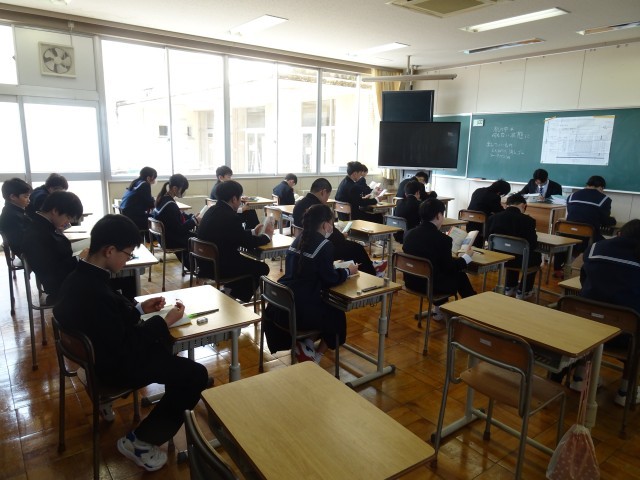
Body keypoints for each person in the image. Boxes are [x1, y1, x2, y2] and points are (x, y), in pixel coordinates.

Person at [53, 214, 209, 472]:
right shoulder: (96, 292)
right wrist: (164, 322)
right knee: (195, 374)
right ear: (109, 250)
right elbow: (126, 346)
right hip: (115, 367)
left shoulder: (79, 276)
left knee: (171, 358)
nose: (127, 260)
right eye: (127, 254)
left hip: (98, 357)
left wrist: (139, 309)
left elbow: (106, 322)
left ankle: (163, 408)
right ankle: (141, 442)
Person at [270, 204, 358, 363]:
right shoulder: (325, 245)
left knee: (326, 307)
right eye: (331, 223)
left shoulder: (298, 239)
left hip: (284, 305)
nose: (332, 227)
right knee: (337, 314)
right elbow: (329, 279)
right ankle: (317, 357)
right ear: (325, 224)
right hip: (301, 310)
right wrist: (347, 271)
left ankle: (307, 346)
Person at [197, 180, 273, 302]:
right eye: (240, 199)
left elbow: (233, 234)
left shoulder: (211, 211)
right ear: (234, 199)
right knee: (262, 268)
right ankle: (231, 296)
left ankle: (229, 290)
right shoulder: (230, 216)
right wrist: (267, 236)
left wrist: (253, 231)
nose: (240, 203)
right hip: (221, 266)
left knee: (247, 265)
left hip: (206, 264)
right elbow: (247, 243)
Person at [403, 198, 476, 320]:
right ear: (438, 215)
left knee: (438, 269)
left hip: (412, 282)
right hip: (431, 286)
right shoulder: (443, 240)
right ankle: (474, 310)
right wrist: (466, 258)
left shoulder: (409, 234)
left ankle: (438, 311)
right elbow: (449, 268)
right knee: (460, 275)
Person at [292, 178, 381, 277]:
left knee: (350, 248)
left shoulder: (299, 204)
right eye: (328, 195)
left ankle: (350, 271)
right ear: (323, 192)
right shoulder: (319, 208)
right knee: (357, 248)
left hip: (301, 244)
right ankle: (371, 276)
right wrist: (342, 236)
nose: (327, 200)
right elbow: (331, 233)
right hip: (319, 246)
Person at [22, 191, 86, 303]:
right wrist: (79, 258)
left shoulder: (43, 226)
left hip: (68, 278)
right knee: (111, 279)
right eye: (68, 217)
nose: (68, 222)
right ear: (55, 211)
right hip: (63, 286)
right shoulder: (37, 234)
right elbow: (52, 274)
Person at [553, 175, 617, 277]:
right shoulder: (604, 199)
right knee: (607, 245)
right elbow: (605, 221)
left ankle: (558, 268)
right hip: (588, 237)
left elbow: (573, 214)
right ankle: (595, 272)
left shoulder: (572, 196)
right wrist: (613, 220)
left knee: (573, 240)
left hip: (568, 234)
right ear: (601, 187)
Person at [486, 193, 541, 299]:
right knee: (536, 255)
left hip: (498, 258)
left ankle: (509, 287)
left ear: (507, 205)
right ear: (523, 205)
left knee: (511, 251)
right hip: (521, 260)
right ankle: (524, 291)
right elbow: (532, 245)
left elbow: (487, 238)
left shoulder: (493, 218)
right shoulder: (528, 220)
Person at [152, 174, 199, 266]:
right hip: (171, 240)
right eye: (183, 189)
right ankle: (197, 266)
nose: (184, 192)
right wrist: (195, 221)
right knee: (200, 239)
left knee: (195, 236)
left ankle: (192, 266)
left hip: (165, 238)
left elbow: (178, 216)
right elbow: (180, 229)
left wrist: (192, 217)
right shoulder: (170, 205)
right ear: (174, 188)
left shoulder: (163, 199)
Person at [209, 165, 260, 229]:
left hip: (221, 215)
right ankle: (255, 231)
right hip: (225, 217)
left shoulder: (218, 187)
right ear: (221, 177)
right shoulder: (220, 189)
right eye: (228, 177)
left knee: (249, 211)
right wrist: (242, 209)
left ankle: (253, 231)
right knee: (250, 211)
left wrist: (240, 197)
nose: (230, 179)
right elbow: (228, 209)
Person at [466, 179, 511, 246]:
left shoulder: (478, 190)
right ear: (500, 192)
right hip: (481, 225)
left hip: (470, 221)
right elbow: (499, 211)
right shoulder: (495, 197)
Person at [0, 177, 32, 257]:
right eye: (26, 197)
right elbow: (22, 242)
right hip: (28, 254)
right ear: (13, 197)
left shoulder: (12, 210)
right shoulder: (11, 216)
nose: (29, 200)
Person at [120, 166, 157, 231]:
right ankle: (152, 237)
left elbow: (146, 199)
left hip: (126, 216)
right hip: (133, 219)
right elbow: (150, 203)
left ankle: (147, 236)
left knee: (151, 216)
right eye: (154, 178)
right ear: (148, 178)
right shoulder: (145, 184)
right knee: (157, 219)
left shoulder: (136, 182)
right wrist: (156, 202)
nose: (154, 180)